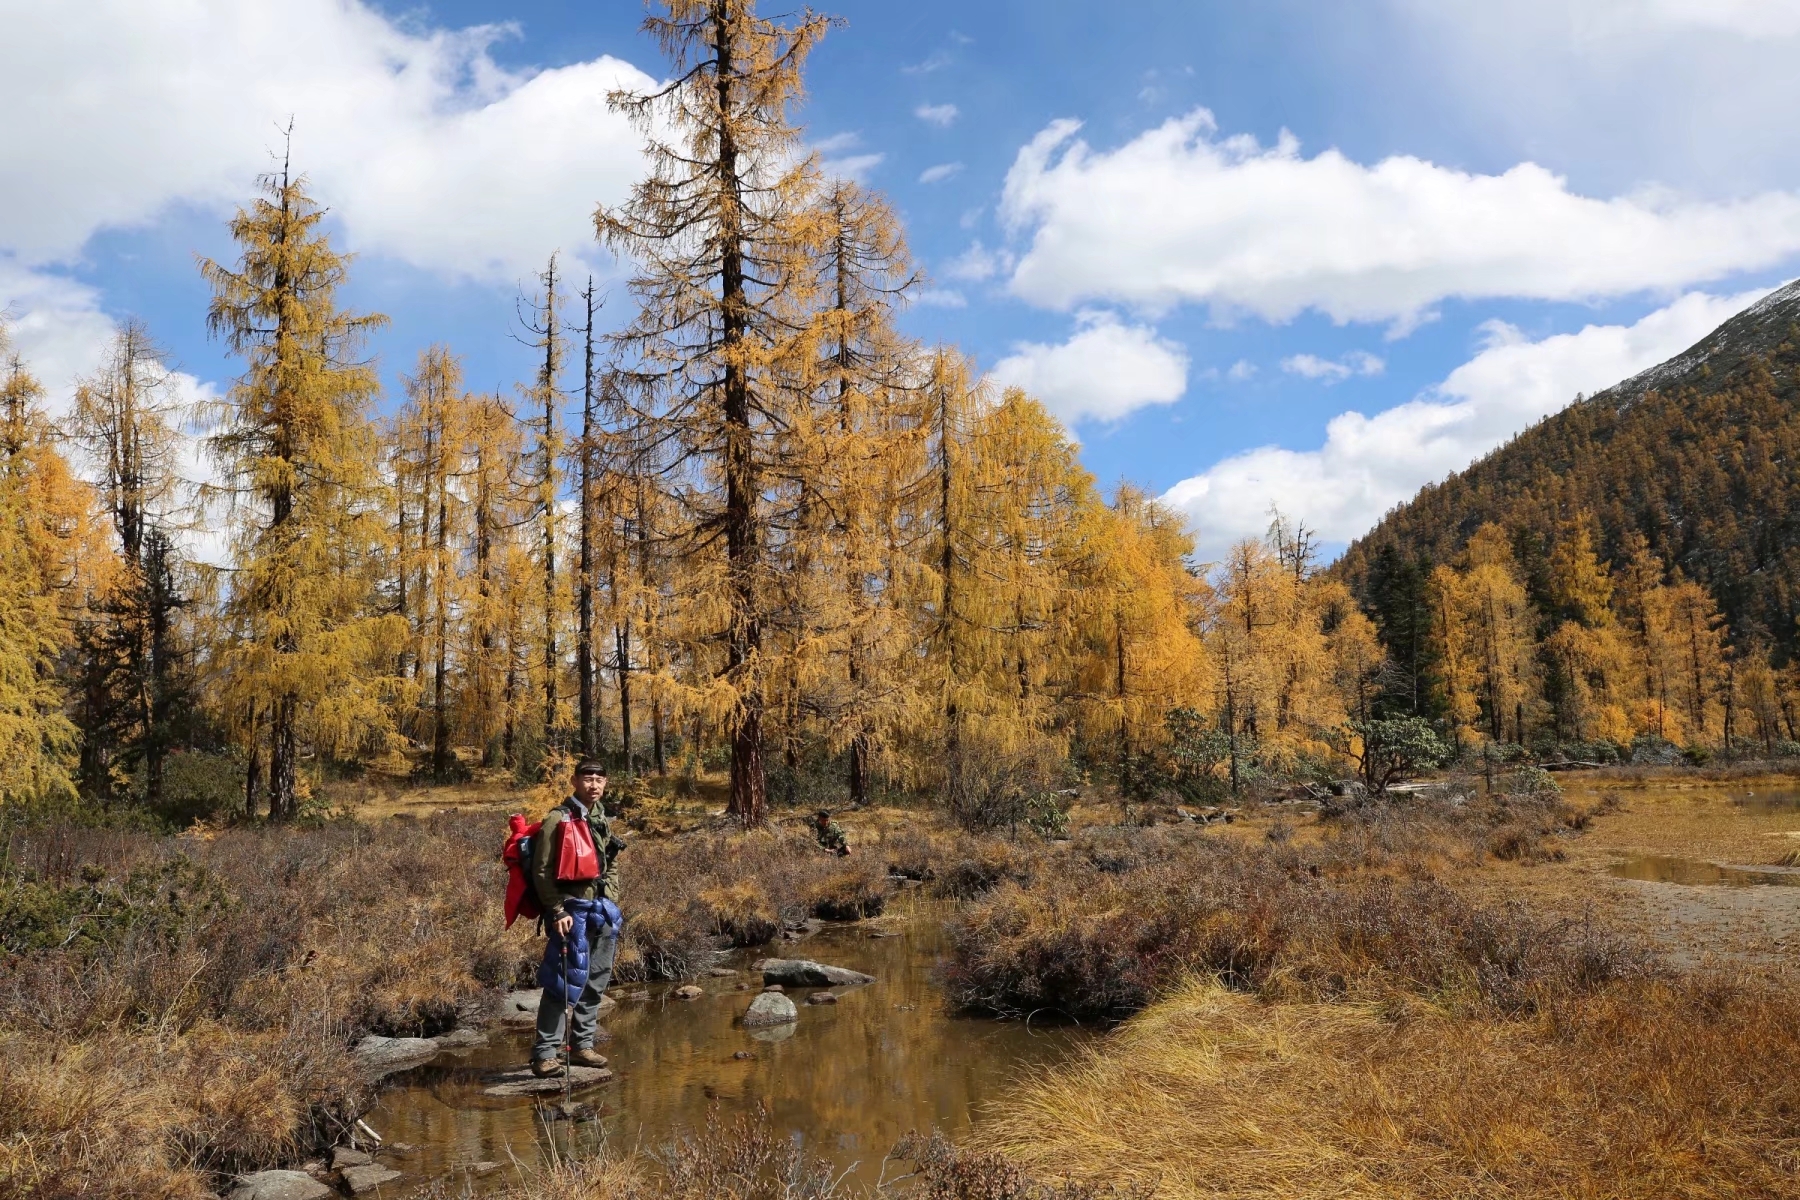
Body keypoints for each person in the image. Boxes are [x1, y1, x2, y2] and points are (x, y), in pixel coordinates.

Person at [530, 760, 624, 1077]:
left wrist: (610, 895)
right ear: (574, 781)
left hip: (601, 910)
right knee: (561, 983)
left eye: (599, 779)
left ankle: (582, 1046)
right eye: (588, 779)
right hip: (570, 912)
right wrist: (556, 910)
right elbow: (541, 870)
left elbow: (607, 863)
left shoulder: (600, 818)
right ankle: (545, 1054)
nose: (593, 784)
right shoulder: (557, 819)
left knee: (595, 979)